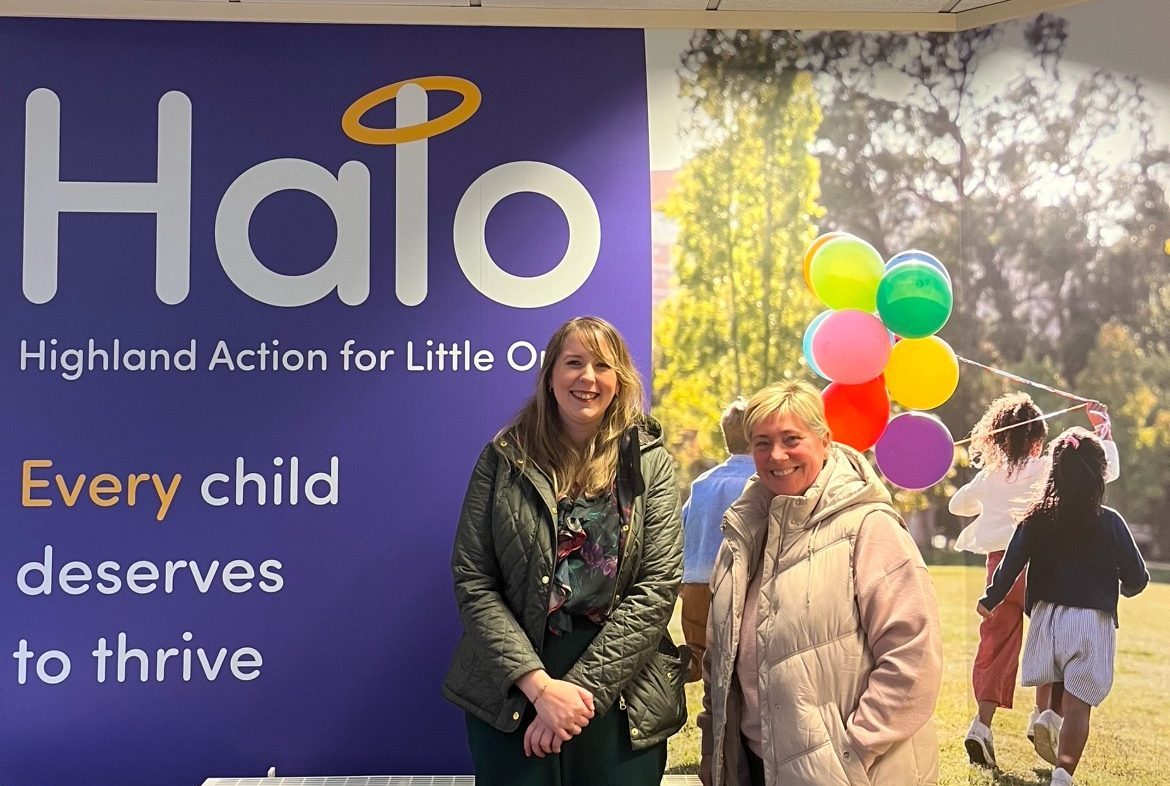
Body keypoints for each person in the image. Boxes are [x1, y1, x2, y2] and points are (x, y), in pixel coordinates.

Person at [443, 316, 688, 786]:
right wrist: (539, 688)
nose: (588, 377)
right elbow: (474, 579)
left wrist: (575, 693)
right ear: (551, 375)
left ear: (619, 381)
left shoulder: (650, 462)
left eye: (602, 365)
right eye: (574, 363)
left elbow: (657, 588)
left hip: (621, 689)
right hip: (513, 686)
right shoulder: (503, 458)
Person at [698, 379, 942, 786]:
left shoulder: (868, 527)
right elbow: (718, 663)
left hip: (851, 773)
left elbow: (913, 656)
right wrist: (715, 755)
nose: (777, 455)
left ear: (825, 441)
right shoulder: (742, 535)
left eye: (791, 439)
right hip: (754, 767)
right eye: (762, 443)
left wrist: (851, 752)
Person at [952, 393, 1118, 768]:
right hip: (1042, 571)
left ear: (998, 439)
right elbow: (1105, 469)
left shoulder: (989, 476)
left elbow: (956, 505)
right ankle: (1044, 716)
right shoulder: (1046, 469)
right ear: (1038, 440)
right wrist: (1103, 429)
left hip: (999, 572)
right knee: (1054, 644)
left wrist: (988, 491)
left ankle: (981, 725)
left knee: (994, 648)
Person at [978, 428, 1148, 786]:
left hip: (1045, 619)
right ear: (1100, 475)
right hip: (1090, 622)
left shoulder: (1037, 517)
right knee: (1079, 705)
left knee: (1055, 676)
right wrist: (1128, 588)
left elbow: (1011, 562)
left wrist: (991, 599)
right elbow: (1137, 575)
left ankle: (1045, 715)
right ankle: (1062, 774)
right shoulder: (1111, 522)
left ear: (1053, 472)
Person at [679, 398, 755, 682]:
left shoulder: (702, 483)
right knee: (740, 665)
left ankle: (708, 720)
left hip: (696, 585)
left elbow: (680, 531)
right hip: (738, 585)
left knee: (701, 660)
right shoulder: (760, 482)